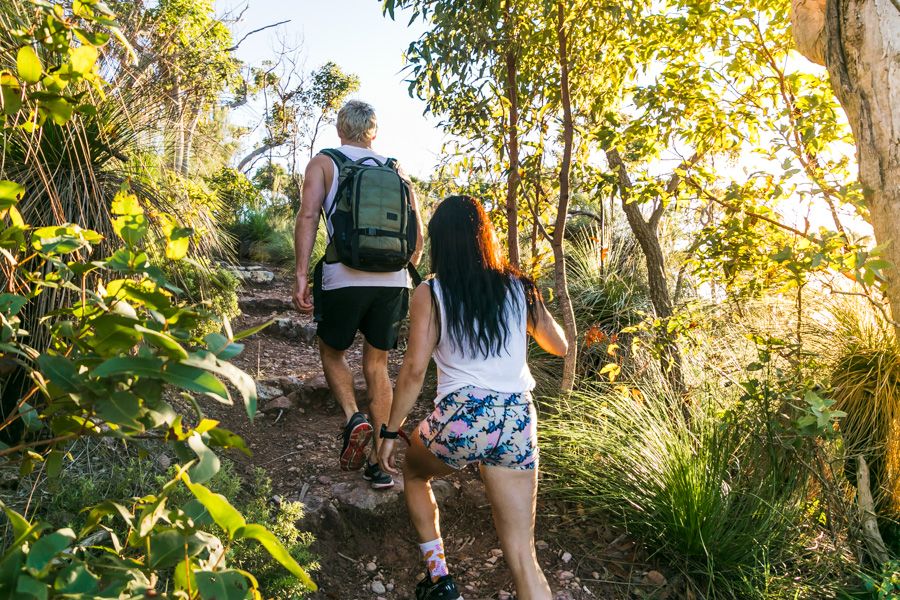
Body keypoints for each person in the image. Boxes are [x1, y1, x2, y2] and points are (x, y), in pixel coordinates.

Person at [377, 195, 568, 600]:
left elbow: (413, 372)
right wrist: (530, 307)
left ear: (441, 241)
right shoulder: (520, 286)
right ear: (486, 236)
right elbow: (560, 346)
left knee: (414, 473)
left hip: (464, 414)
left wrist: (390, 431)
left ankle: (440, 579)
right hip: (518, 418)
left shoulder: (431, 292)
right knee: (523, 554)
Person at [293, 100, 423, 489]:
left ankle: (354, 416)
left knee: (332, 350)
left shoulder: (324, 162)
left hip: (344, 276)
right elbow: (418, 234)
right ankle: (378, 463)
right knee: (378, 364)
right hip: (393, 280)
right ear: (373, 133)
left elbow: (308, 215)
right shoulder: (395, 170)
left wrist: (301, 274)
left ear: (339, 130)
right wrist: (402, 269)